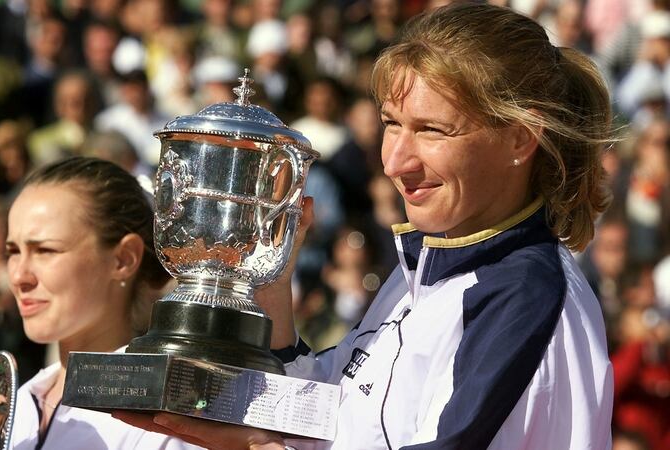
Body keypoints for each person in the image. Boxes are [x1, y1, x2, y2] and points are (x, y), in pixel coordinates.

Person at [115, 3, 615, 449]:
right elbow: (325, 414)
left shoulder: (526, 295)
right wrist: (268, 283)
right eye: (393, 123)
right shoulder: (421, 271)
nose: (396, 161)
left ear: (520, 141)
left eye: (432, 130)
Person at [0, 156, 200, 449]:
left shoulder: (164, 423)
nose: (18, 276)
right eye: (13, 251)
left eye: (45, 250)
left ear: (123, 259)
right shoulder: (18, 406)